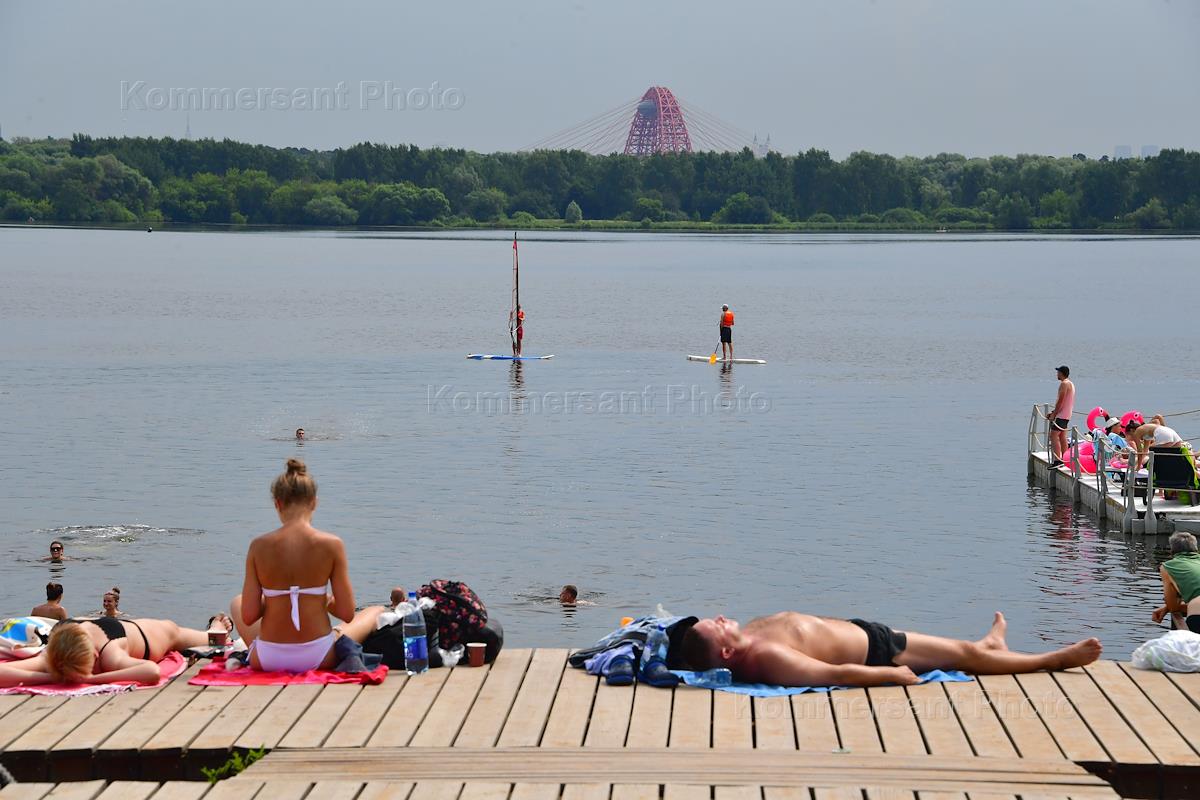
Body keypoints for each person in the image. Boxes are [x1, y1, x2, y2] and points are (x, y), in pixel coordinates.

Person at [230, 458, 384, 673]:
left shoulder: (258, 546)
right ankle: (377, 610)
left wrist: (277, 599)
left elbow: (249, 615)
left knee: (238, 602)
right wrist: (318, 599)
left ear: (277, 503)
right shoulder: (332, 544)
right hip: (319, 656)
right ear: (314, 502)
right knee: (372, 611)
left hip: (268, 658)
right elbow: (347, 612)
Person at [679, 611, 1102, 687]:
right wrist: (889, 674)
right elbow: (835, 675)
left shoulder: (749, 641)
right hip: (879, 652)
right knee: (964, 659)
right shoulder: (767, 658)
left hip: (865, 633)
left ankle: (989, 644)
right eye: (717, 629)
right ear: (729, 655)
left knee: (959, 651)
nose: (720, 618)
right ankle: (1053, 659)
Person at [0, 614, 224, 688]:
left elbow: (151, 671)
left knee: (214, 639)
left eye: (92, 667)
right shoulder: (57, 654)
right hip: (79, 628)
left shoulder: (110, 654)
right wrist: (51, 676)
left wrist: (92, 679)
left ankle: (217, 626)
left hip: (148, 634)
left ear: (95, 656)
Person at [1152, 532, 1200, 632]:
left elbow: (1173, 606)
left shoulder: (1168, 567)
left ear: (1172, 551)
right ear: (1196, 549)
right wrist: (1166, 608)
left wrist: (1167, 608)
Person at [1047, 365, 1074, 468]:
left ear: (1061, 373)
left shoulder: (1064, 384)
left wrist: (1054, 414)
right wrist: (1054, 412)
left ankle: (1057, 460)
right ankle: (1065, 459)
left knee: (1053, 436)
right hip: (1066, 414)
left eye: (1058, 372)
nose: (1056, 374)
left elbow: (1061, 401)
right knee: (1062, 437)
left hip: (1062, 415)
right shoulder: (1070, 383)